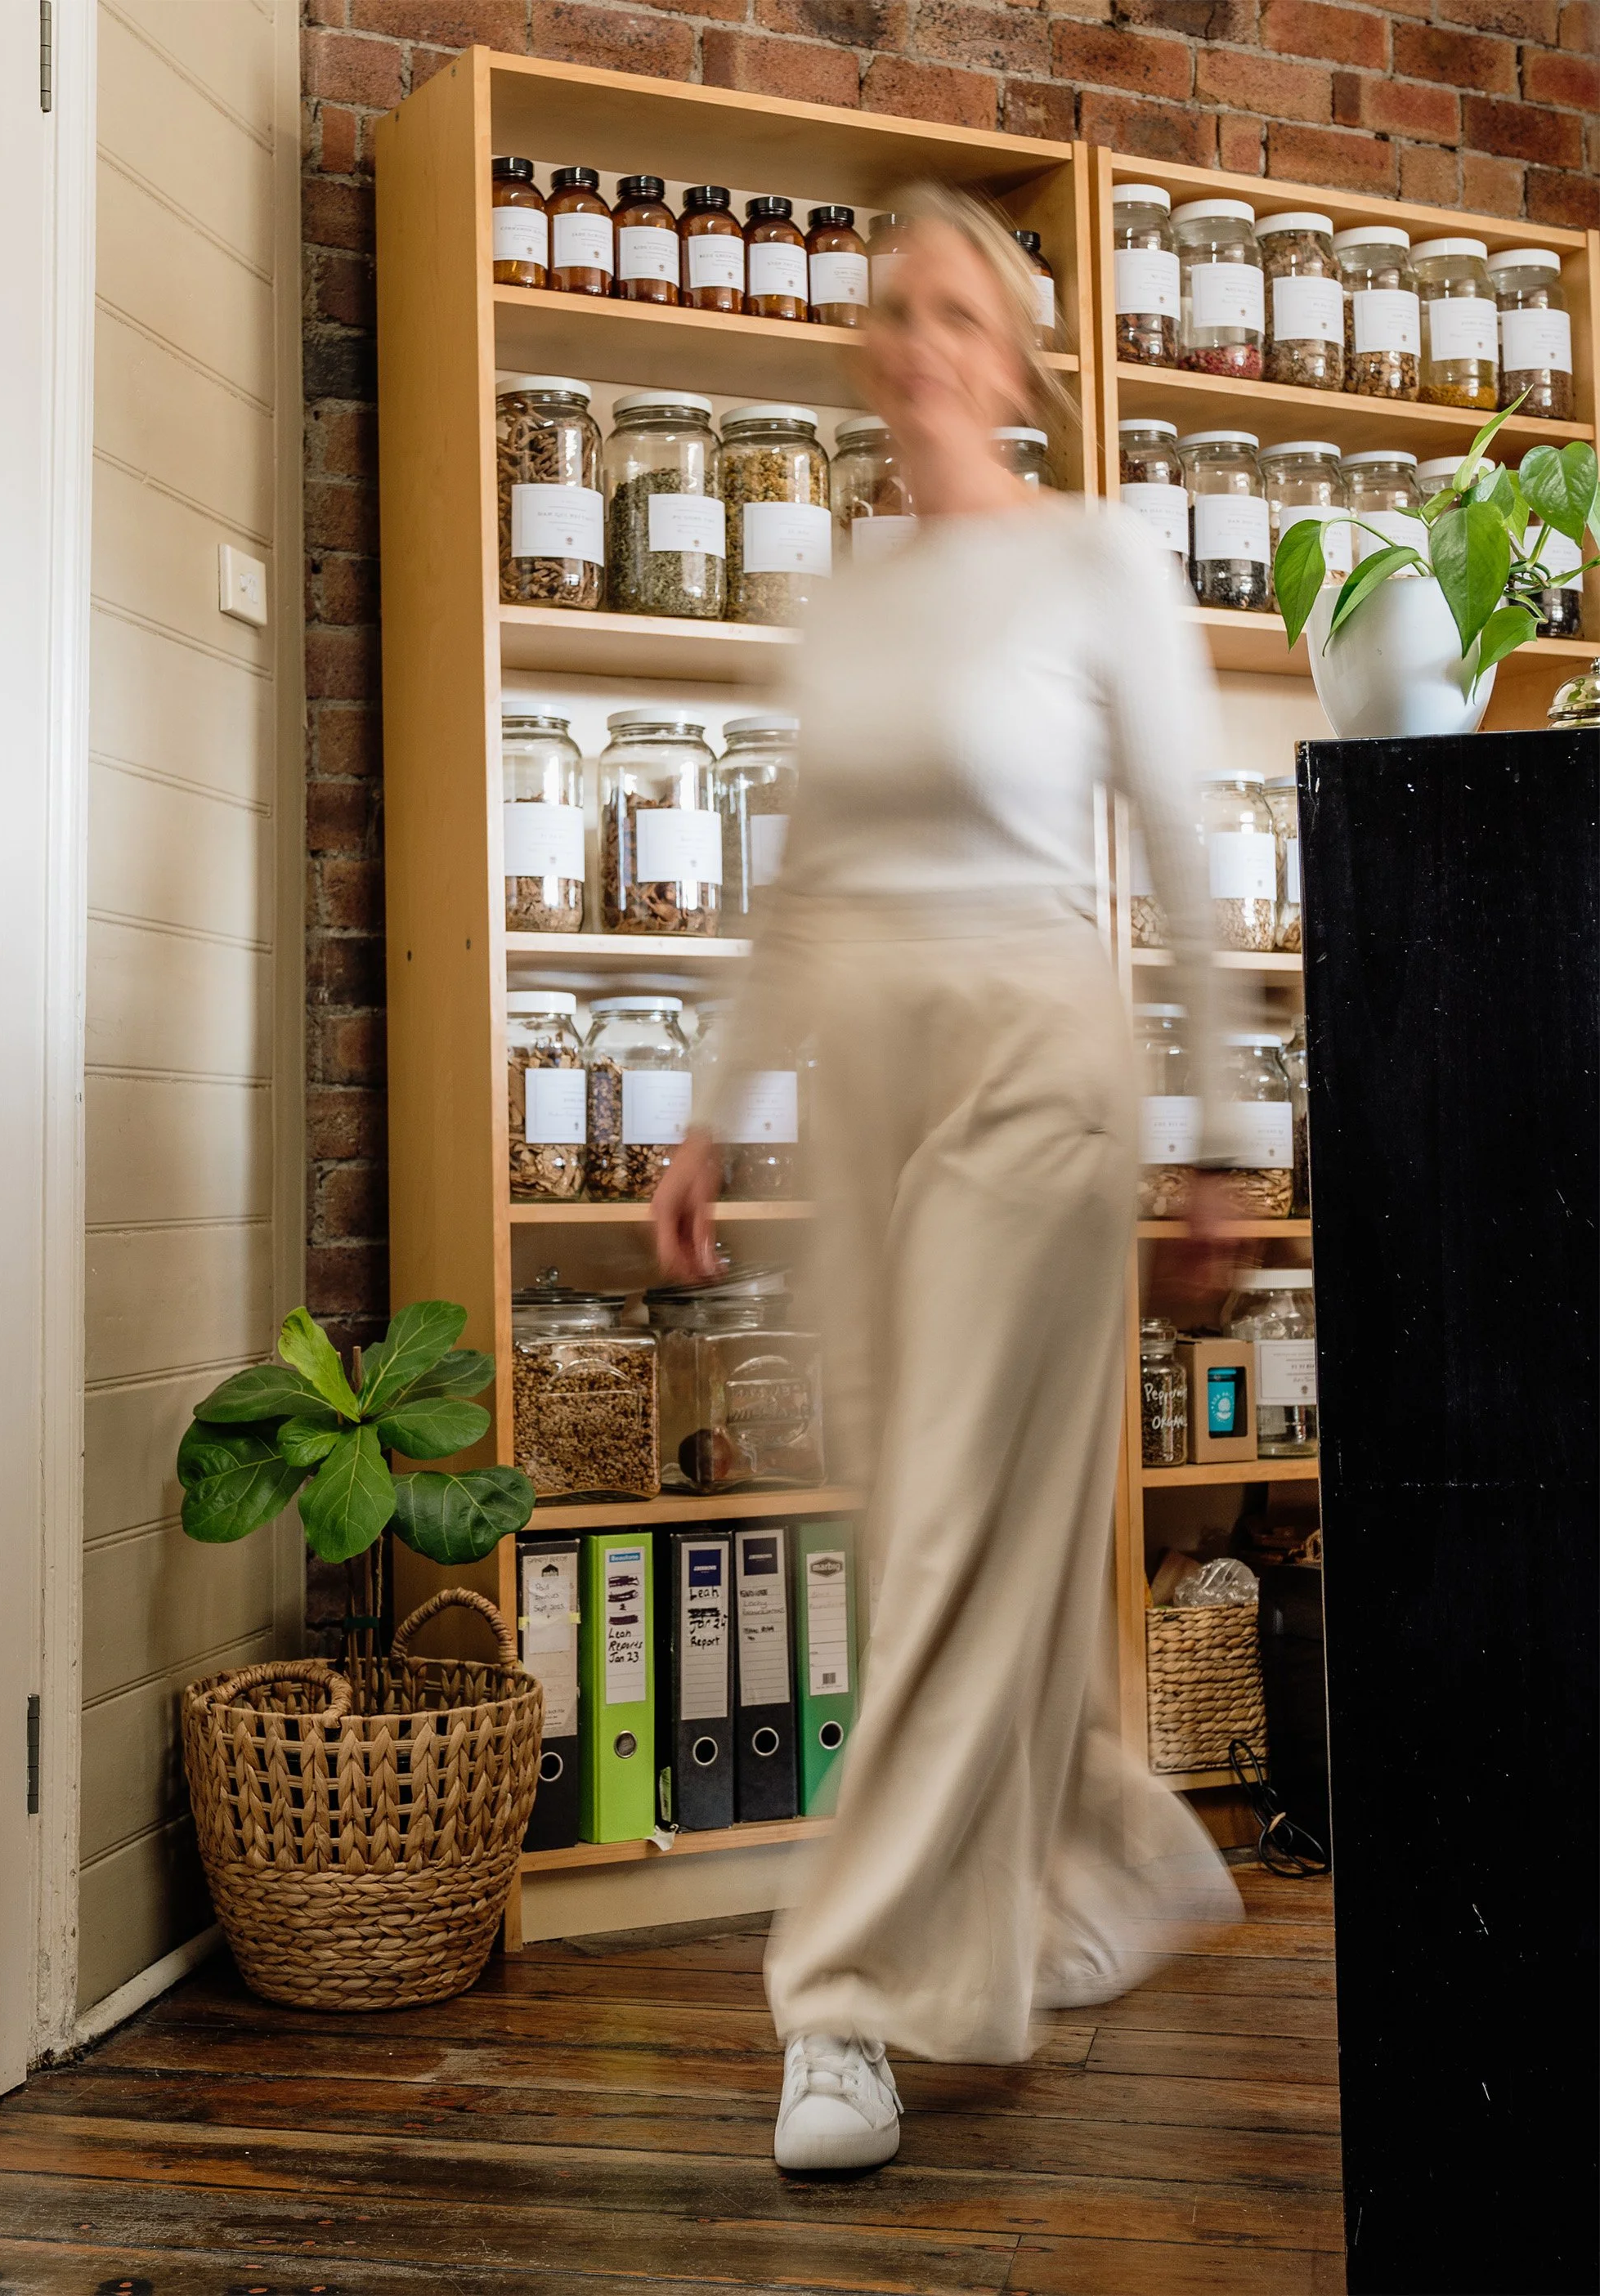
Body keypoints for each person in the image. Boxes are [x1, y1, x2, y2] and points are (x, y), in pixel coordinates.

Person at [652, 184, 1244, 2173]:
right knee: (936, 1518)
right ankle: (1105, 1854)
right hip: (872, 1081)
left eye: (953, 312)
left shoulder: (1100, 562)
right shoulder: (848, 589)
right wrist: (710, 1111)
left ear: (1012, 357)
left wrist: (1225, 1144)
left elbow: (1179, 863)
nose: (914, 340)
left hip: (1032, 1059)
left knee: (934, 1557)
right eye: (888, 308)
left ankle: (841, 2007)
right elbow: (798, 884)